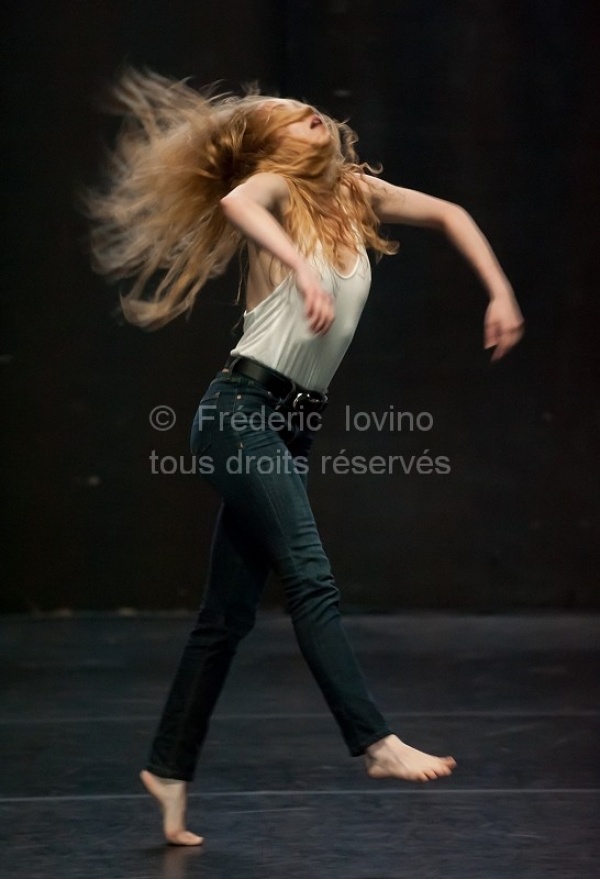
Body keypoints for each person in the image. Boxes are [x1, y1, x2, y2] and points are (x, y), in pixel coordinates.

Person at [86, 69, 524, 846]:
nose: (309, 117)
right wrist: (292, 263)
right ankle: (375, 741)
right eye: (289, 119)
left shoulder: (355, 193)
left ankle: (169, 769)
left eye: (309, 110)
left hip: (288, 427)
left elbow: (453, 213)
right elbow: (236, 204)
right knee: (311, 577)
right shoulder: (275, 192)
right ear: (272, 149)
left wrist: (499, 292)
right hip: (239, 415)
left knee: (224, 617)